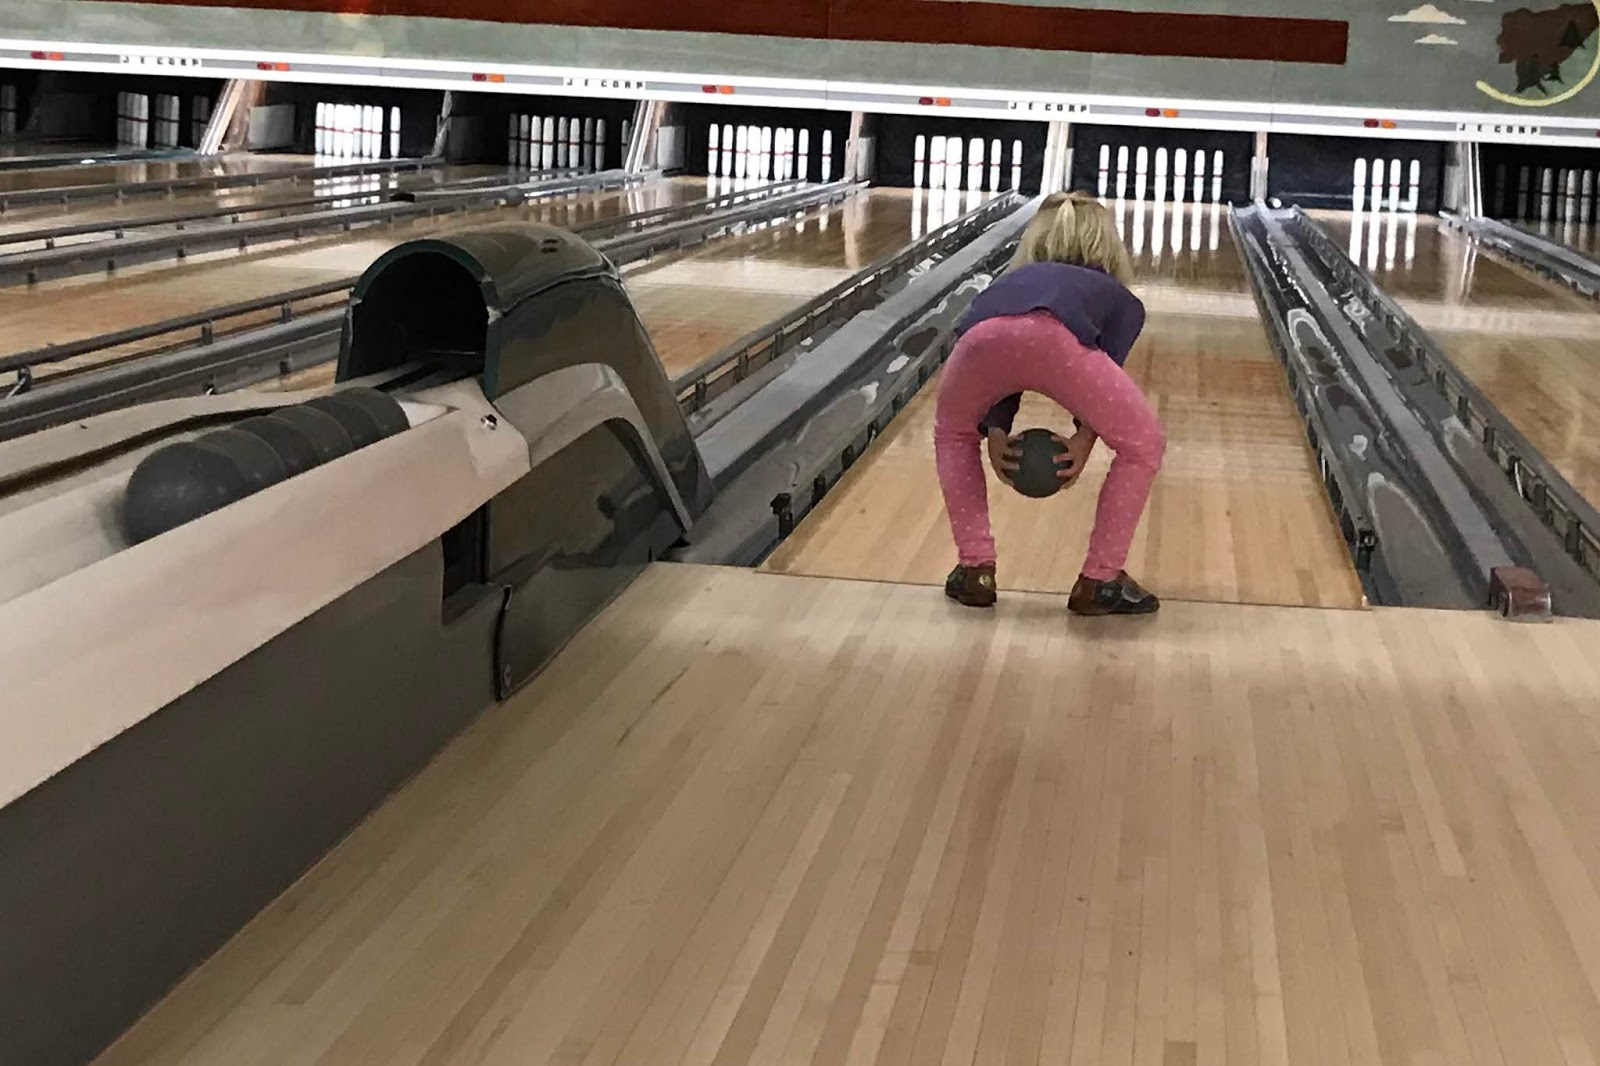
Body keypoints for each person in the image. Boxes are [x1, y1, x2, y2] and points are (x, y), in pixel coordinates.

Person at [934, 191, 1166, 616]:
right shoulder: (1121, 300)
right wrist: (1082, 442)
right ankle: (1100, 579)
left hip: (977, 342)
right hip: (1059, 345)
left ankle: (974, 569)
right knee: (1144, 444)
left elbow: (1004, 354)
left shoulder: (1007, 283)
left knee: (952, 434)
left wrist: (995, 430)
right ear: (1108, 245)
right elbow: (1101, 381)